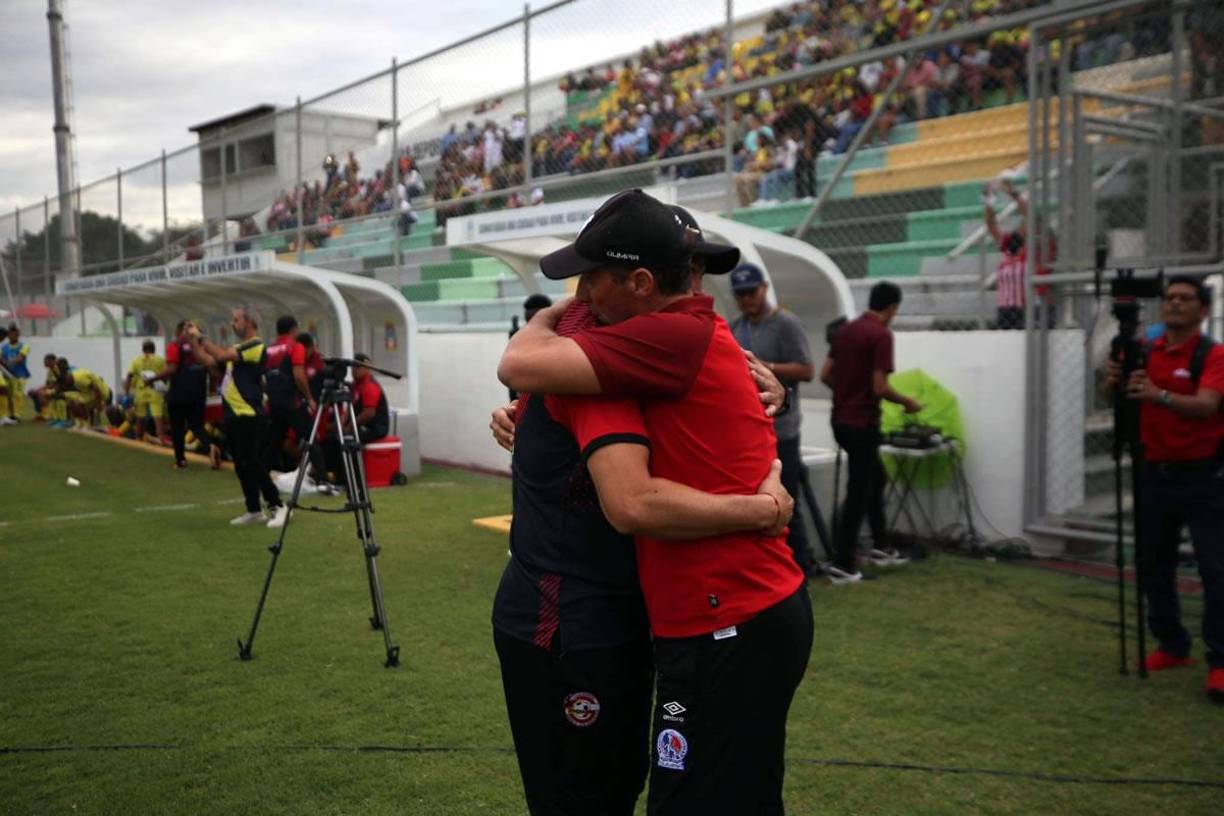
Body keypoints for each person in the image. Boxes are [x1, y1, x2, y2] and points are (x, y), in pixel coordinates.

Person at [498, 189, 812, 815]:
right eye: (693, 269)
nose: (583, 294)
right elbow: (524, 371)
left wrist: (764, 507)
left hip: (724, 620)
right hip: (695, 621)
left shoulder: (663, 336)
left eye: (591, 279)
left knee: (682, 797)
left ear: (641, 282)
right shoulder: (649, 339)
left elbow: (633, 502)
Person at [1104, 276, 1224, 703]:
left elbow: (1208, 405)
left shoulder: (1213, 355)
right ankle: (1172, 645)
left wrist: (1160, 395)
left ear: (1203, 310)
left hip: (1205, 477)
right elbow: (1114, 399)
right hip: (1155, 471)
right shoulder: (1146, 350)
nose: (1174, 304)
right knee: (1153, 564)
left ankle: (1221, 663)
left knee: (1216, 570)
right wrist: (1113, 378)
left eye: (1184, 298)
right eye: (1169, 297)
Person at [820, 281, 922, 584]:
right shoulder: (881, 335)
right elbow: (880, 387)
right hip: (862, 423)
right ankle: (843, 563)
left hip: (839, 421)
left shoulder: (846, 330)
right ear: (891, 308)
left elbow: (826, 374)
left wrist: (847, 393)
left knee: (876, 478)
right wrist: (908, 402)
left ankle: (881, 545)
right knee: (859, 491)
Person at [728, 264, 818, 576]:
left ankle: (801, 567)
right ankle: (771, 569)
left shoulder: (785, 323)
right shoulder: (735, 326)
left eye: (751, 292)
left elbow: (806, 370)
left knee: (787, 502)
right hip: (749, 432)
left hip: (782, 429)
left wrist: (767, 367)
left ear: (764, 288)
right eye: (740, 295)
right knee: (758, 504)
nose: (746, 300)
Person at [186, 307, 288, 529]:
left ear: (249, 322)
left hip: (249, 414)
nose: (233, 324)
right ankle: (253, 510)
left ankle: (278, 505)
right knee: (242, 465)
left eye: (236, 320)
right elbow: (208, 361)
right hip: (233, 413)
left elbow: (221, 355)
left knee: (253, 462)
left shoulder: (255, 345)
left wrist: (200, 335)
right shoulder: (238, 352)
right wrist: (193, 341)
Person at [154, 321, 220, 470]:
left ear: (178, 332)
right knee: (197, 425)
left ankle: (181, 461)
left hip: (178, 393)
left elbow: (171, 369)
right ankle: (210, 446)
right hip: (198, 393)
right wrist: (212, 389)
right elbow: (212, 370)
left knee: (177, 428)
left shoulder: (174, 346)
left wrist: (152, 379)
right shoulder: (202, 348)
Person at [322, 353, 389, 482]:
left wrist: (349, 427)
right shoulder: (355, 385)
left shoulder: (370, 386)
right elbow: (350, 406)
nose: (354, 370)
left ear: (367, 368)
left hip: (375, 427)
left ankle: (352, 480)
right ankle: (334, 476)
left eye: (358, 367)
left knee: (347, 440)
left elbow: (369, 413)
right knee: (331, 438)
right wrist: (341, 424)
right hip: (360, 424)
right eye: (353, 367)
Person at [262, 315, 315, 473]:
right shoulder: (295, 347)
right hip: (292, 402)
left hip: (274, 402)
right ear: (293, 329)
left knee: (275, 441)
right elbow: (299, 375)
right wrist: (309, 397)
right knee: (310, 438)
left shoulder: (268, 349)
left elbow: (264, 378)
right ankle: (322, 478)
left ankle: (262, 474)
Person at [508, 294, 553, 401]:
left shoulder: (560, 336)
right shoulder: (522, 336)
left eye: (535, 320)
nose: (531, 326)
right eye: (528, 321)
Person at [124, 340, 167, 442]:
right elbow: (165, 375)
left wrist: (126, 392)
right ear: (154, 349)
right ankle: (161, 438)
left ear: (143, 350)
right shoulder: (160, 360)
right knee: (158, 417)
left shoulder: (136, 360)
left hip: (141, 392)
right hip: (155, 391)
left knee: (140, 417)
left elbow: (129, 376)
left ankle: (138, 438)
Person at [0, 323, 31, 425]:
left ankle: (15, 415)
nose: (13, 335)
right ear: (8, 335)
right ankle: (6, 415)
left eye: (15, 333)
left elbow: (20, 358)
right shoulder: (3, 347)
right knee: (7, 394)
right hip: (6, 374)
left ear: (18, 334)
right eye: (11, 333)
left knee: (18, 395)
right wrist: (5, 363)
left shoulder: (24, 346)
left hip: (20, 374)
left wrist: (7, 362)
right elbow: (1, 359)